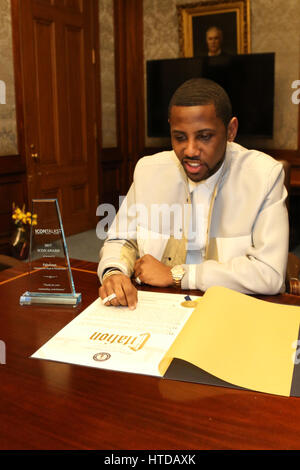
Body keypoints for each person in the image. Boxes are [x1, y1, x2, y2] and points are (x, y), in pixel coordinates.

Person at [98, 78, 289, 309]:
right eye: (179, 137)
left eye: (204, 136)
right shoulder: (148, 171)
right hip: (157, 306)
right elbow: (121, 239)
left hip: (231, 310)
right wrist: (114, 272)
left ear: (231, 131)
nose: (189, 150)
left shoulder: (264, 176)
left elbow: (269, 272)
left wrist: (178, 275)